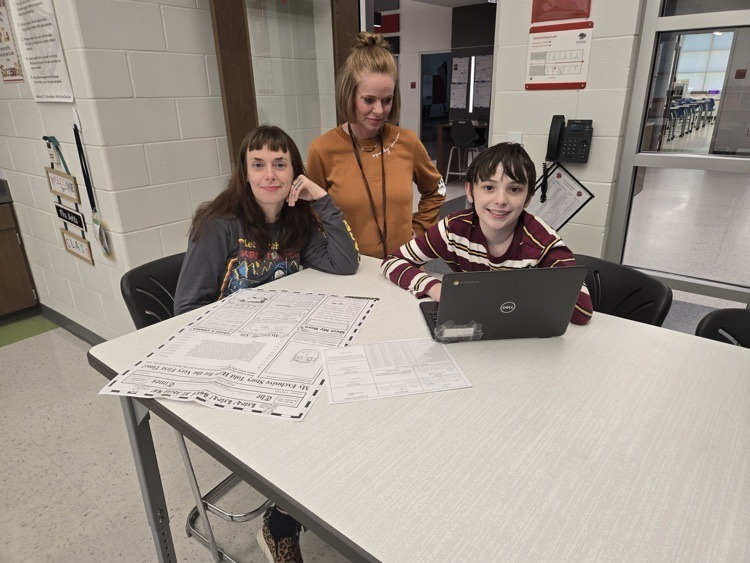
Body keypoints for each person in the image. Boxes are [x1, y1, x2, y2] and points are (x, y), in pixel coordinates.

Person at [381, 142, 593, 325]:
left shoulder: (544, 244)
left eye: (514, 189)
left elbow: (582, 311)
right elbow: (393, 261)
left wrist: (511, 293)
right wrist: (434, 287)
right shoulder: (453, 229)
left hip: (518, 338)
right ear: (470, 191)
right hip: (474, 326)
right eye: (489, 187)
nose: (501, 200)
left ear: (528, 199)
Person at [174, 124, 359, 316]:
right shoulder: (217, 225)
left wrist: (321, 199)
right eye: (258, 165)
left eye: (280, 165)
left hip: (282, 320)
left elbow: (344, 263)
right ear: (245, 173)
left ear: (294, 172)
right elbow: (187, 309)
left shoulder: (298, 217)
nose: (270, 175)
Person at [306, 32, 446, 259]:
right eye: (369, 100)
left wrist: (419, 230)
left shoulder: (407, 142)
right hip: (348, 268)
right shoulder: (322, 150)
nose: (379, 110)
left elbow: (437, 190)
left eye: (387, 100)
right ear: (349, 94)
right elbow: (311, 214)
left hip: (402, 266)